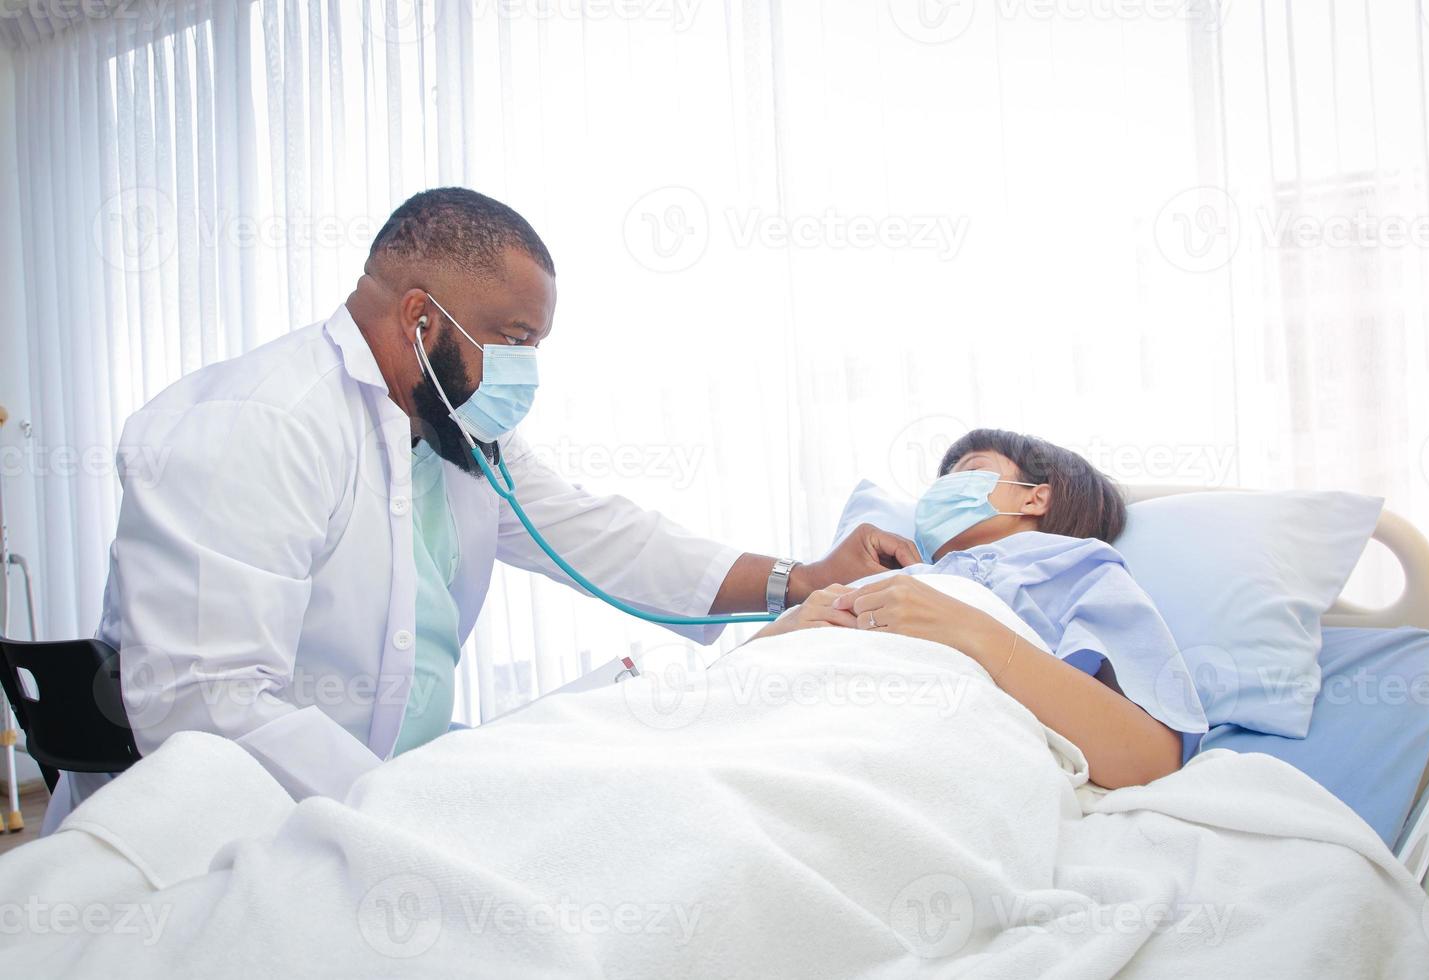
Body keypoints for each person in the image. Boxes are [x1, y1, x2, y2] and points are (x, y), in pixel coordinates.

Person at [44, 188, 918, 831]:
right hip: (231, 833)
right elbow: (205, 702)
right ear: (423, 319)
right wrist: (409, 815)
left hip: (381, 810)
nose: (527, 369)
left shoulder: (450, 431)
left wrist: (795, 581)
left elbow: (599, 534)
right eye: (514, 339)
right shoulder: (260, 426)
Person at [754, 428, 1207, 790]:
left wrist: (974, 632)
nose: (940, 490)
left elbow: (1152, 759)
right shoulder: (887, 580)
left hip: (898, 754)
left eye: (968, 470)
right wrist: (785, 629)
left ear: (1035, 496)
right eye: (939, 481)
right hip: (780, 736)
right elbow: (724, 689)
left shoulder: (1078, 569)